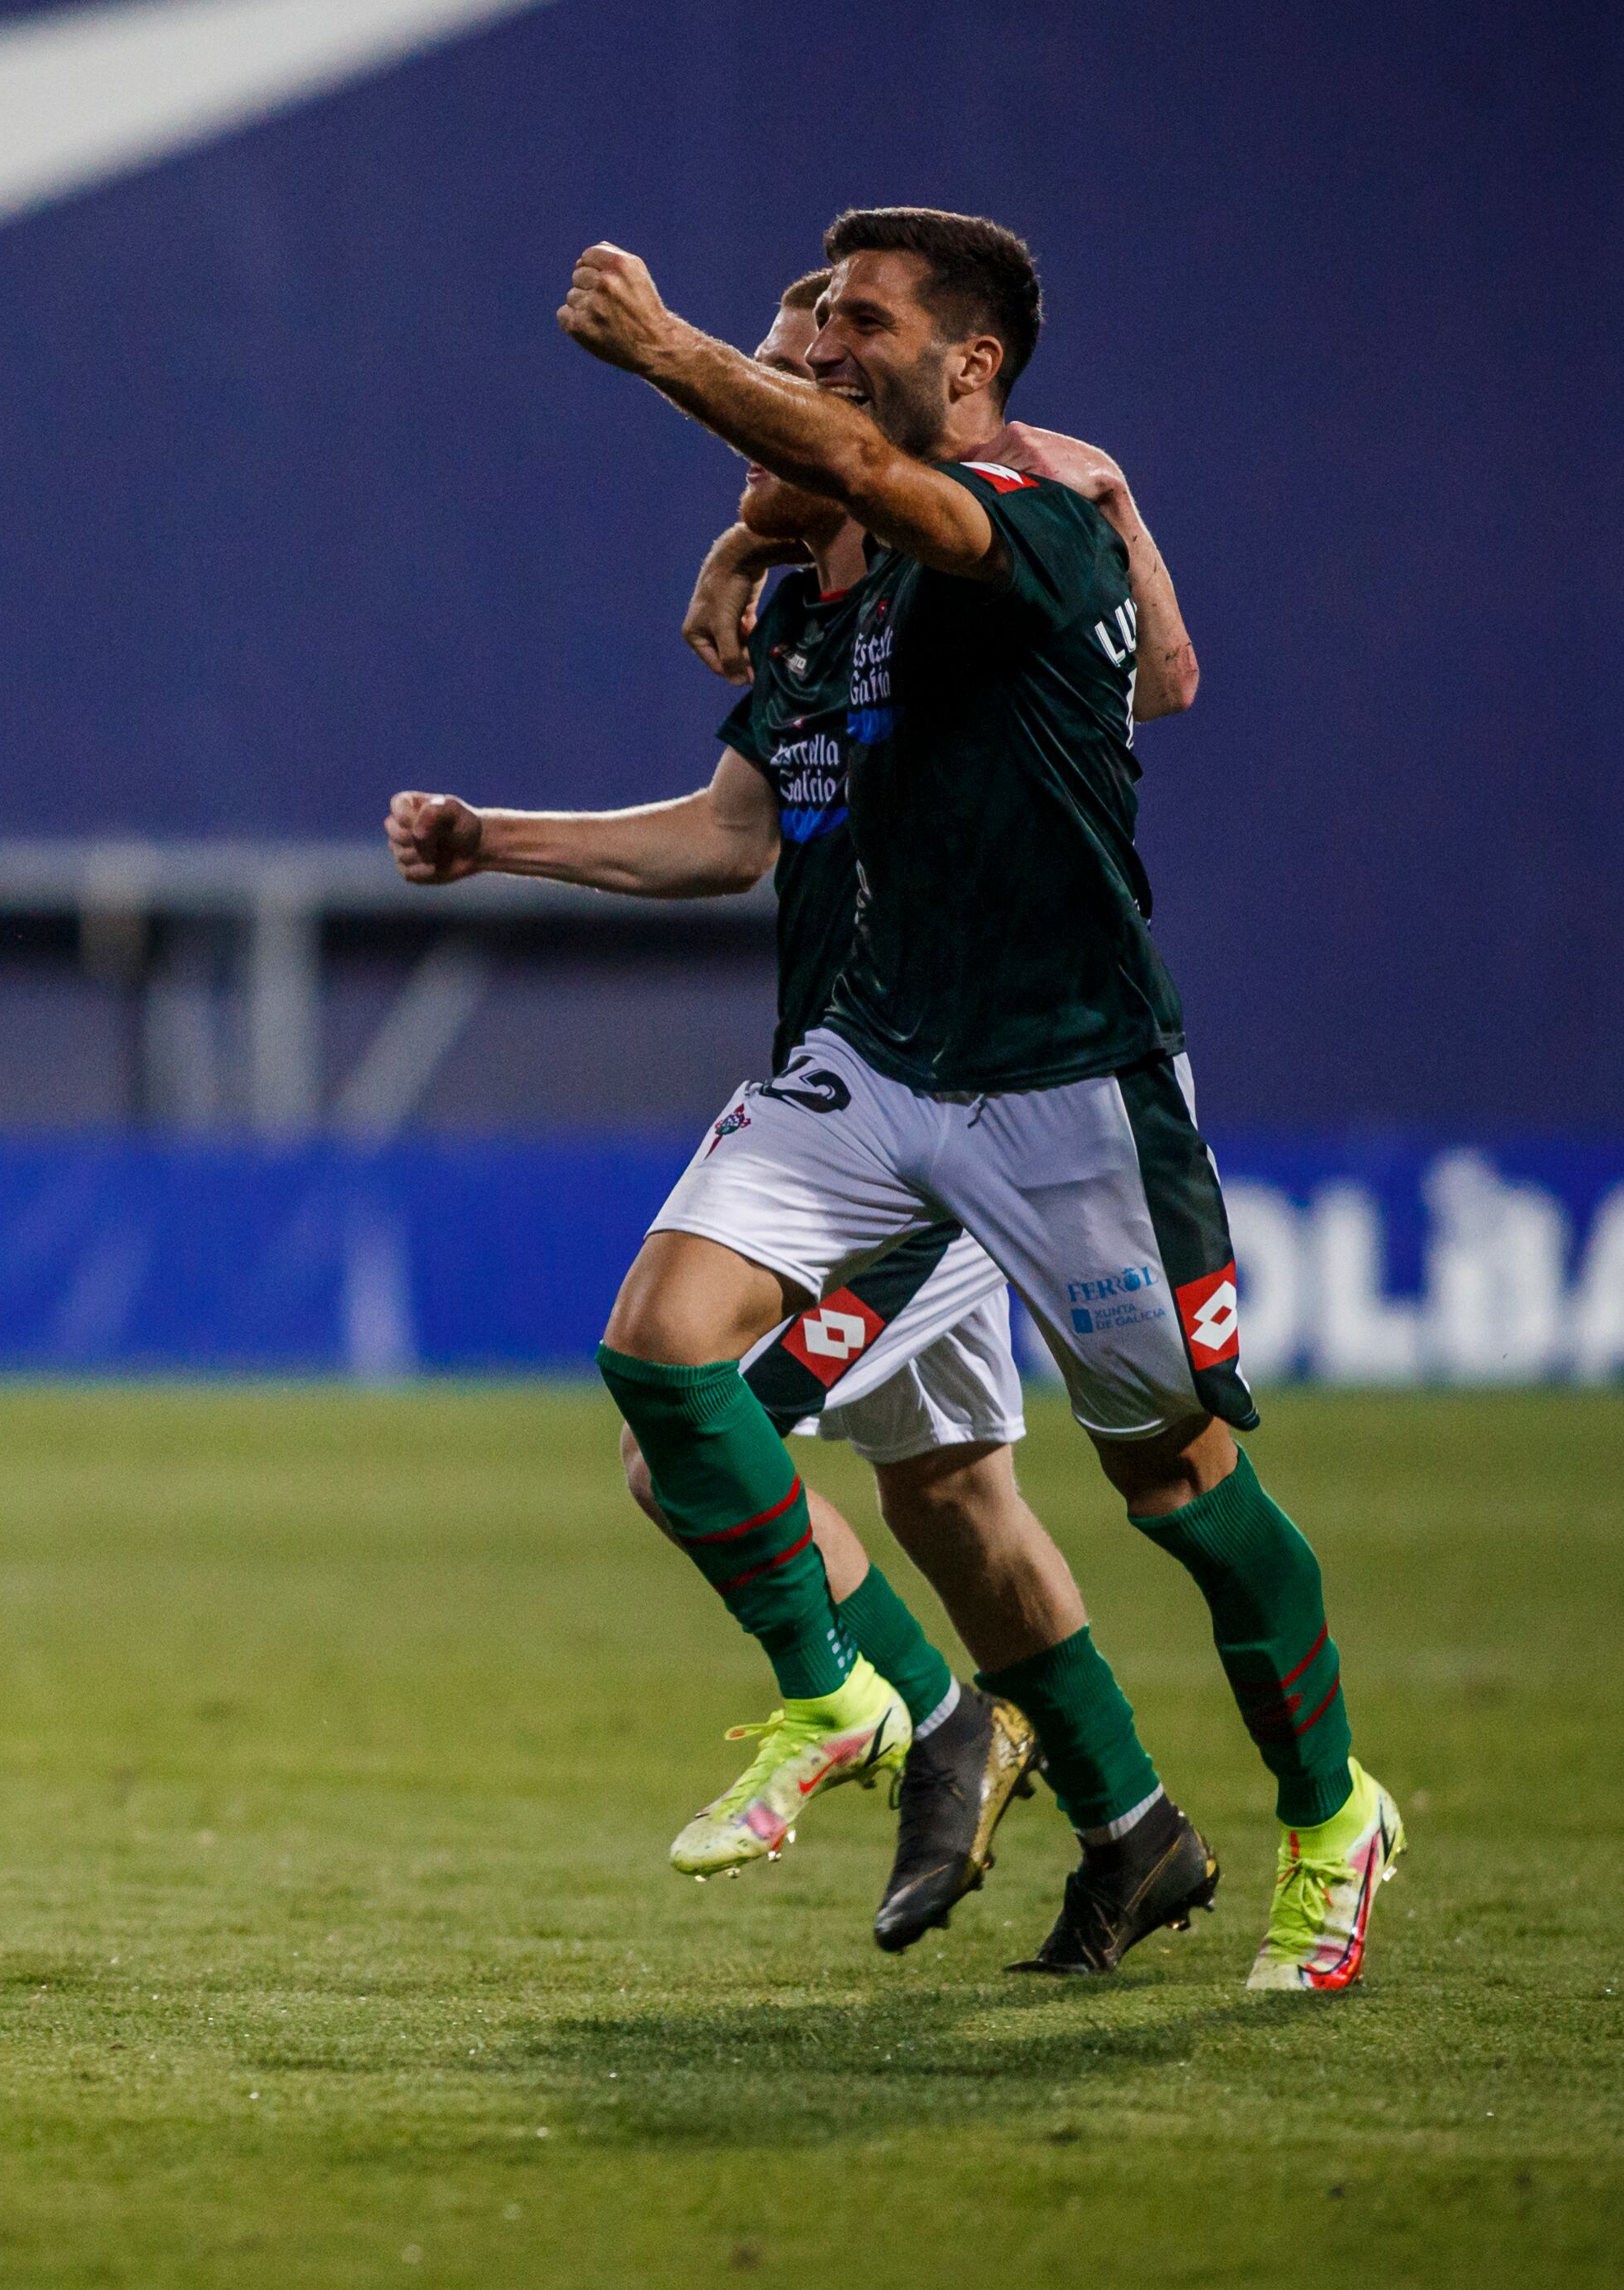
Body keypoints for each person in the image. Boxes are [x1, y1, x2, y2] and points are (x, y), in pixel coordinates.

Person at [556, 207, 1399, 1989]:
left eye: (857, 318)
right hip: (877, 1059)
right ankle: (859, 1700)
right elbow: (816, 482)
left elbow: (877, 472)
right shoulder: (848, 559)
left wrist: (661, 352)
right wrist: (737, 541)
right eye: (816, 319)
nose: (823, 343)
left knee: (1178, 1495)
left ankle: (1328, 1811)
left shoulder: (1022, 526)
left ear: (971, 366)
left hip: (1069, 1085)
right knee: (661, 1351)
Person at [390, 270, 1208, 1955]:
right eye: (766, 377)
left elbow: (1142, 657)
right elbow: (725, 835)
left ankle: (901, 1705)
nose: (756, 413)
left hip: (947, 1105)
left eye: (794, 381)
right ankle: (1131, 1827)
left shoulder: (956, 556)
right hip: (852, 1087)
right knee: (947, 1501)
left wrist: (1091, 485)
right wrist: (496, 842)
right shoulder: (803, 615)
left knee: (675, 1420)